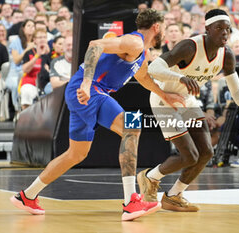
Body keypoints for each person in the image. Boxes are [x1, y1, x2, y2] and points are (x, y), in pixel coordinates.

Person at [10, 9, 184, 221]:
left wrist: (165, 95)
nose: (164, 33)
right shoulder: (134, 42)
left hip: (84, 92)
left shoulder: (142, 53)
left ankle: (27, 196)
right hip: (90, 89)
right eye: (164, 28)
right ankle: (131, 201)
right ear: (156, 27)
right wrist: (86, 81)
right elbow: (95, 45)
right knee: (132, 126)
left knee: (76, 154)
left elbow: (144, 78)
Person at [137, 9, 239, 211]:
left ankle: (174, 195)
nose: (224, 33)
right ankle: (150, 177)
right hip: (164, 99)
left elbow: (237, 92)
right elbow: (153, 68)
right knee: (189, 156)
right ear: (207, 29)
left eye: (227, 29)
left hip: (187, 101)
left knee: (205, 152)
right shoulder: (189, 46)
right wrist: (180, 78)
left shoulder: (227, 54)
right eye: (219, 28)